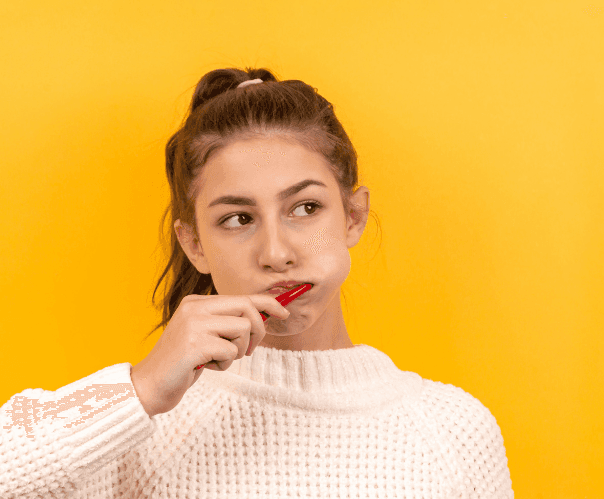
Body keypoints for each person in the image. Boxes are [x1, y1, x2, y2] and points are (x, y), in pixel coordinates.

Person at [0, 67, 514, 498]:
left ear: (353, 217)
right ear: (194, 244)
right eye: (238, 219)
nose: (276, 253)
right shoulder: (140, 429)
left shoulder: (454, 431)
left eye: (305, 208)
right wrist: (143, 389)